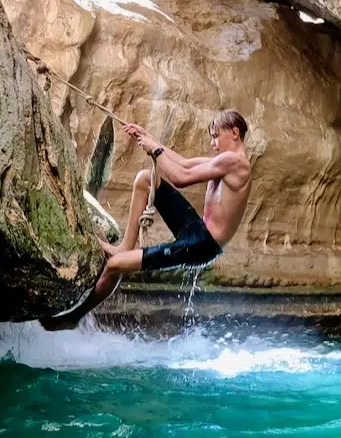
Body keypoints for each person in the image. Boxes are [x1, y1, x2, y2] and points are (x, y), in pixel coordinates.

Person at [41, 109, 253, 331]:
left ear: (235, 133)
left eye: (216, 136)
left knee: (114, 266)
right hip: (197, 230)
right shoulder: (225, 161)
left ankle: (74, 318)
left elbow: (182, 178)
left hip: (202, 244)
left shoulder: (235, 162)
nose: (213, 143)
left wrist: (156, 150)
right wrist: (148, 137)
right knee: (146, 179)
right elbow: (184, 163)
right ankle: (124, 247)